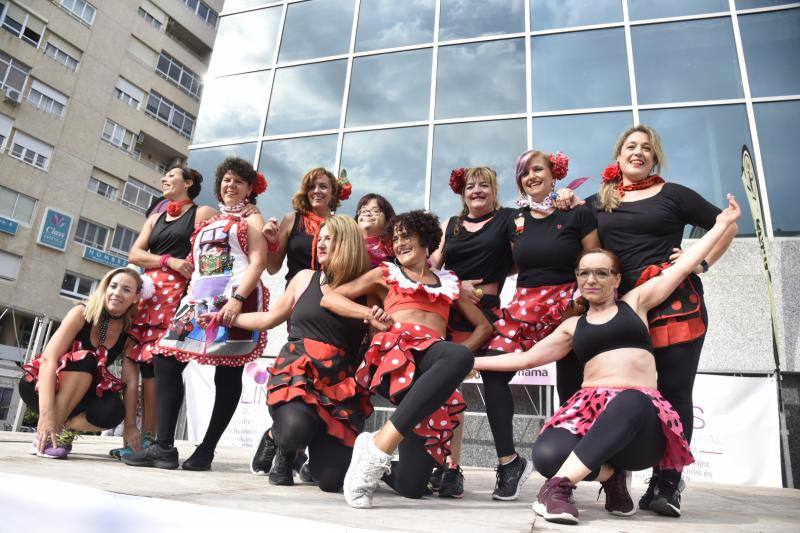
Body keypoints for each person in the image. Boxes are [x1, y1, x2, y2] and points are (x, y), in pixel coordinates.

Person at [473, 193, 741, 525]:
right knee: (547, 454)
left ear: (616, 279)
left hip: (640, 424)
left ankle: (558, 488)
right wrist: (471, 363)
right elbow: (524, 359)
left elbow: (684, 264)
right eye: (584, 274)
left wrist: (721, 224)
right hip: (589, 410)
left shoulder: (637, 302)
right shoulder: (572, 326)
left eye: (601, 273)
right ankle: (609, 477)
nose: (591, 280)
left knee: (631, 400)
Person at [556, 125, 738, 516]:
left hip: (674, 303)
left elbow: (727, 223)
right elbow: (571, 233)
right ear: (617, 156)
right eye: (630, 147)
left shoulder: (675, 195)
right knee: (615, 393)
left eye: (646, 148)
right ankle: (614, 475)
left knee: (674, 392)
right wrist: (567, 200)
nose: (638, 153)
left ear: (654, 157)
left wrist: (703, 262)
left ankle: (666, 483)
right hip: (620, 307)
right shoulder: (597, 201)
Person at [320, 210, 492, 508]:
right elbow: (330, 297)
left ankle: (378, 454)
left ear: (425, 239)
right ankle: (380, 447)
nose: (399, 243)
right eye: (395, 238)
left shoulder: (449, 283)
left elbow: (484, 327)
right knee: (457, 355)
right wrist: (368, 313)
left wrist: (456, 363)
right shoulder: (385, 273)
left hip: (434, 357)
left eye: (406, 236)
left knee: (412, 486)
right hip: (397, 353)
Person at [122, 156, 268, 471]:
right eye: (227, 180)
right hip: (198, 300)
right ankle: (163, 446)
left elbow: (257, 260)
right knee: (166, 358)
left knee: (227, 371)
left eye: (239, 182)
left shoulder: (252, 217)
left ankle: (206, 449)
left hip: (232, 299)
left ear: (248, 190)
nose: (231, 185)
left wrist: (238, 298)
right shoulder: (207, 218)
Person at [218, 216, 372, 491]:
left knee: (331, 481)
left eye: (329, 238)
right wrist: (228, 318)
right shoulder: (304, 278)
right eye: (320, 238)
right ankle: (278, 441)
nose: (321, 244)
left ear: (347, 243)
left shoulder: (367, 289)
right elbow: (269, 319)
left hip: (339, 383)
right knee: (294, 430)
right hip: (300, 370)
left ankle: (309, 457)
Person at [110, 166, 216, 459]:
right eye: (164, 176)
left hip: (178, 298)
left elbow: (214, 252)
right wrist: (168, 261)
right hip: (146, 295)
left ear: (189, 182)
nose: (164, 179)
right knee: (135, 364)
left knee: (159, 368)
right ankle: (135, 438)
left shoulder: (202, 213)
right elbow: (134, 254)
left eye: (172, 176)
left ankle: (154, 440)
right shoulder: (156, 217)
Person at [429, 166, 515, 499]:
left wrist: (486, 284)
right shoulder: (449, 225)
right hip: (450, 311)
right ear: (462, 193)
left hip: (487, 311)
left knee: (495, 382)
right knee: (448, 388)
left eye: (484, 185)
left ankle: (507, 462)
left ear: (494, 190)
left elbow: (523, 257)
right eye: (470, 186)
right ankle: (450, 467)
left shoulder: (508, 219)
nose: (476, 190)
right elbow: (434, 263)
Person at [19, 268, 144, 459]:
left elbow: (131, 382)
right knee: (86, 359)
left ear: (135, 298)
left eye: (126, 290)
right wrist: (46, 415)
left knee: (113, 411)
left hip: (83, 396)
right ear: (105, 288)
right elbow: (48, 359)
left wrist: (130, 426)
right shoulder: (81, 313)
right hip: (44, 387)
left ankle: (62, 428)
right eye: (113, 286)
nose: (117, 293)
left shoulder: (128, 333)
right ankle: (46, 437)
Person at [263, 167, 350, 283]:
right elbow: (272, 269)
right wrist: (272, 244)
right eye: (311, 187)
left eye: (323, 186)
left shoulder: (341, 226)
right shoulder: (291, 219)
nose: (316, 191)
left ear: (333, 193)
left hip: (330, 294)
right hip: (296, 295)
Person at [355, 193, 395, 266]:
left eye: (375, 211)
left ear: (387, 219)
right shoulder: (347, 245)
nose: (367, 214)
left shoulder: (395, 247)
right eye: (363, 211)